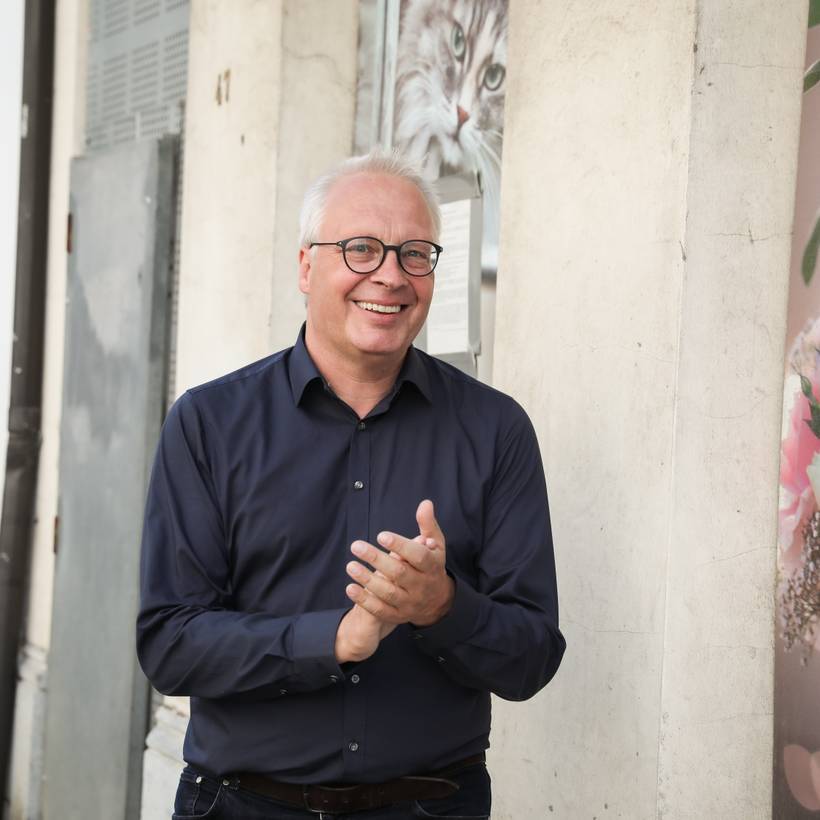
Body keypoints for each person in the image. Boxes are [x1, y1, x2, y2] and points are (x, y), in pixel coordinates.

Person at [137, 150, 565, 819]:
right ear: (307, 266)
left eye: (415, 253)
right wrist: (332, 638)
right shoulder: (209, 424)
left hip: (429, 807)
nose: (391, 276)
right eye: (362, 249)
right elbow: (170, 646)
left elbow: (532, 657)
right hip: (243, 805)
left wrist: (443, 606)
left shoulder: (495, 430)